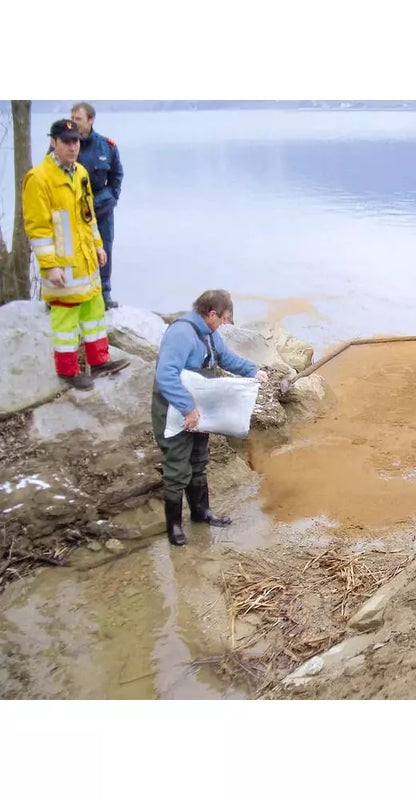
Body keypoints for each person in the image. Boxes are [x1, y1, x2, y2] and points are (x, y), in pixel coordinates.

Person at [152, 289, 269, 546]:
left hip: (200, 405)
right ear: (211, 313)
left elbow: (225, 358)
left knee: (198, 460)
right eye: (224, 318)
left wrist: (252, 371)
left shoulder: (209, 334)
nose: (225, 323)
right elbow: (166, 376)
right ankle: (174, 526)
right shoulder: (181, 334)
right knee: (176, 467)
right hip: (175, 409)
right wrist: (187, 408)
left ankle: (201, 512)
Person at [22, 119, 129, 391]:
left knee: (94, 313)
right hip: (62, 267)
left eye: (76, 141)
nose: (73, 146)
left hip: (85, 261)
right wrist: (49, 266)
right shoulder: (39, 178)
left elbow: (87, 216)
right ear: (53, 142)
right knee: (65, 321)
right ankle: (68, 371)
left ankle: (99, 361)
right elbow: (38, 228)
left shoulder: (80, 171)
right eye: (67, 141)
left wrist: (98, 245)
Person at [71, 102, 124, 310]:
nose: (74, 123)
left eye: (79, 119)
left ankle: (105, 292)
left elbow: (117, 175)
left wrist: (112, 197)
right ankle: (75, 292)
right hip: (74, 207)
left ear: (91, 120)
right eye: (72, 118)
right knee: (74, 250)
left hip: (101, 207)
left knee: (105, 248)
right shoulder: (66, 143)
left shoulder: (106, 146)